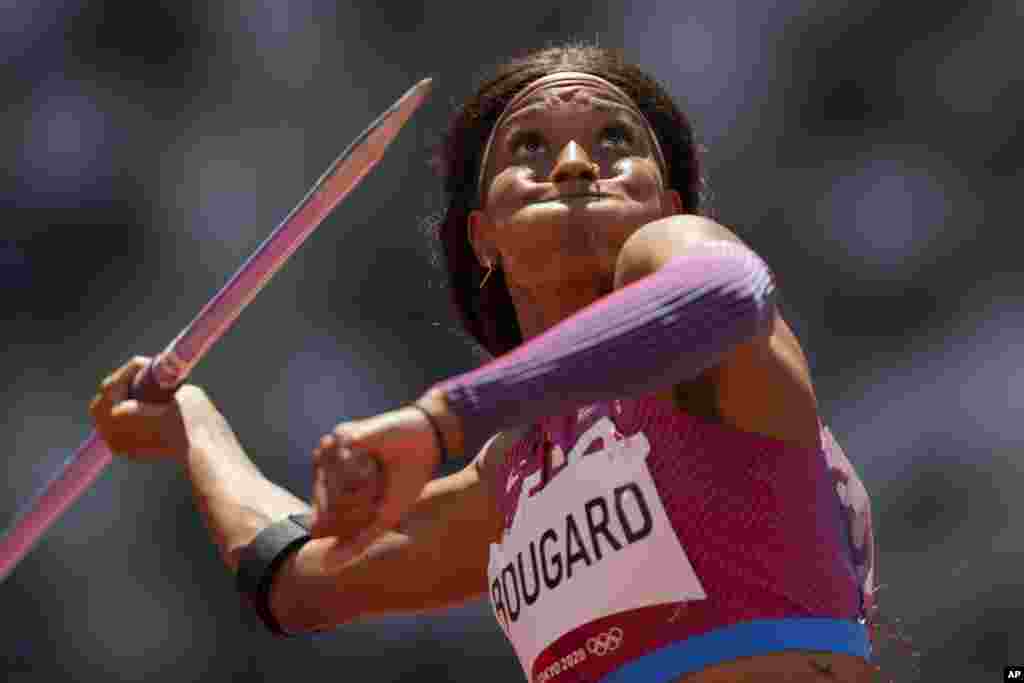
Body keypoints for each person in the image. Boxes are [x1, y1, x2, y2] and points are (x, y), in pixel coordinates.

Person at [90, 43, 879, 682]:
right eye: (529, 146)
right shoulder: (514, 478)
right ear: (483, 238)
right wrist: (193, 424)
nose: (574, 163)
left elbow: (725, 291)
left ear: (670, 206)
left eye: (615, 140)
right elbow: (299, 581)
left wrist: (441, 422)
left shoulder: (682, 267)